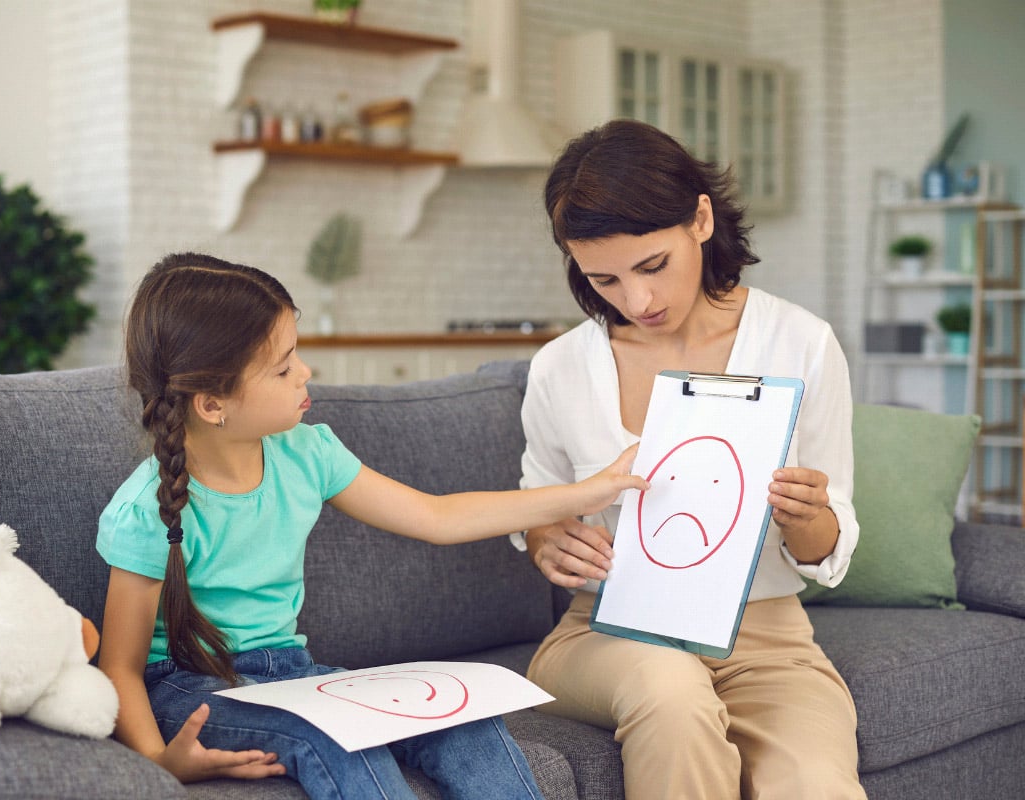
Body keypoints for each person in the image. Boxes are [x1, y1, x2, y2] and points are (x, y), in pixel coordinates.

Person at [96, 252, 650, 800]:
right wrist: (159, 760)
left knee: (458, 717)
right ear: (213, 404)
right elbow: (120, 666)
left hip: (293, 672)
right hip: (189, 686)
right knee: (330, 737)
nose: (305, 373)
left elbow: (437, 517)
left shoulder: (307, 453)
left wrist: (585, 492)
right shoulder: (148, 511)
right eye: (283, 367)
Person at [516, 119, 866, 799]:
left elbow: (830, 548)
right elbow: (537, 511)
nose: (637, 301)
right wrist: (548, 544)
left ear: (701, 218)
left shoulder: (801, 343)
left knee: (815, 783)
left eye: (653, 267)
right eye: (604, 279)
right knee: (671, 694)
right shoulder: (560, 366)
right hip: (606, 630)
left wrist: (807, 514)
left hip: (766, 636)